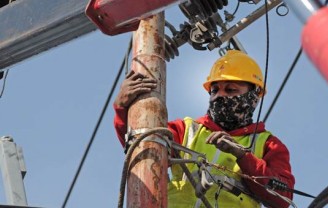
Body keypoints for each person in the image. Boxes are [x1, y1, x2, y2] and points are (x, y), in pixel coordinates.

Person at [114, 50, 295, 208]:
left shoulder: (268, 145)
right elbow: (142, 145)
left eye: (230, 90)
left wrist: (243, 157)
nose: (219, 96)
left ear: (254, 98)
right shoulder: (186, 129)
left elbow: (282, 199)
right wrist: (122, 108)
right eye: (214, 90)